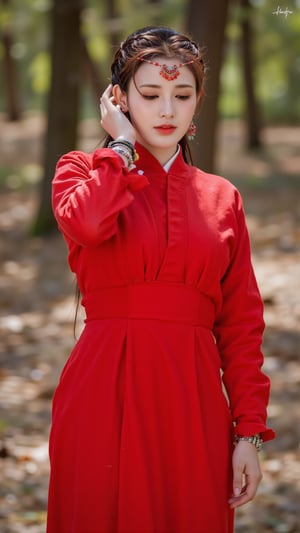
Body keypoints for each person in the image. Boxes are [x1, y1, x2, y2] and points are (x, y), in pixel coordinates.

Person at [46, 26, 275, 533]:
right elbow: (86, 224)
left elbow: (241, 324)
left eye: (182, 95)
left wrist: (248, 434)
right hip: (103, 393)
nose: (167, 110)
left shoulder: (222, 198)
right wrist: (122, 148)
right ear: (119, 99)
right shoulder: (81, 171)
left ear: (198, 104)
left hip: (192, 402)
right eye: (150, 95)